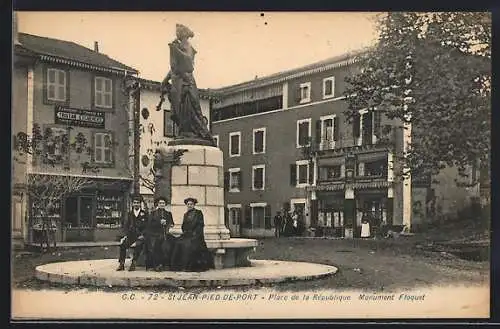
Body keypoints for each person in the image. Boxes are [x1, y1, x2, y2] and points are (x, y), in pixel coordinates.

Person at [160, 24, 213, 142]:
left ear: (184, 34)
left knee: (191, 108)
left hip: (187, 81)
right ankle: (184, 131)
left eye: (178, 31)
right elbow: (174, 68)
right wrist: (165, 80)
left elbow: (188, 62)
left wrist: (176, 50)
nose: (177, 34)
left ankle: (192, 132)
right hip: (178, 82)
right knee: (179, 109)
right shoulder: (177, 46)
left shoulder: (188, 47)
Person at [170, 197, 214, 272]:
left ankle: (190, 267)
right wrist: (185, 232)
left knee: (189, 245)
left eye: (191, 204)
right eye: (188, 204)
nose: (190, 206)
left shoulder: (198, 213)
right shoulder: (186, 214)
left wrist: (194, 234)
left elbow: (200, 225)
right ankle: (179, 266)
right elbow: (183, 226)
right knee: (178, 243)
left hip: (197, 235)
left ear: (194, 205)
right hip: (187, 235)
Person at [117, 195, 149, 271]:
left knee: (138, 245)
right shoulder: (129, 214)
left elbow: (147, 227)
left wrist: (143, 235)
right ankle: (121, 264)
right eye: (134, 203)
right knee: (123, 244)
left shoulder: (145, 214)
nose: (136, 204)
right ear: (132, 204)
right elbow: (126, 226)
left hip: (140, 237)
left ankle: (133, 263)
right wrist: (124, 236)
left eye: (138, 203)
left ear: (140, 204)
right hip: (131, 236)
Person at [146, 196, 175, 271]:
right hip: (154, 234)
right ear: (157, 204)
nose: (162, 204)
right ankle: (157, 264)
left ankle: (168, 264)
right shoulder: (153, 213)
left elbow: (172, 223)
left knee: (173, 242)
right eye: (160, 203)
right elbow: (149, 224)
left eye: (163, 203)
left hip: (165, 233)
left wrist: (168, 224)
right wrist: (159, 222)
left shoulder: (168, 213)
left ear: (165, 204)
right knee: (157, 244)